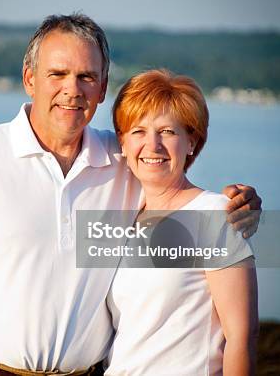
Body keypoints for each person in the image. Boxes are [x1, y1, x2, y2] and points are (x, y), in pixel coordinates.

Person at [0, 14, 262, 375]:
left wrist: (240, 206)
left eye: (86, 76)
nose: (72, 89)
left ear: (102, 88)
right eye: (58, 74)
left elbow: (177, 187)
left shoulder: (123, 162)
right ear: (30, 79)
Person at [106, 69, 258, 375]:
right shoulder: (125, 218)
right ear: (122, 143)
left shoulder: (214, 215)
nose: (153, 145)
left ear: (192, 141)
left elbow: (241, 339)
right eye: (138, 131)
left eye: (167, 132)